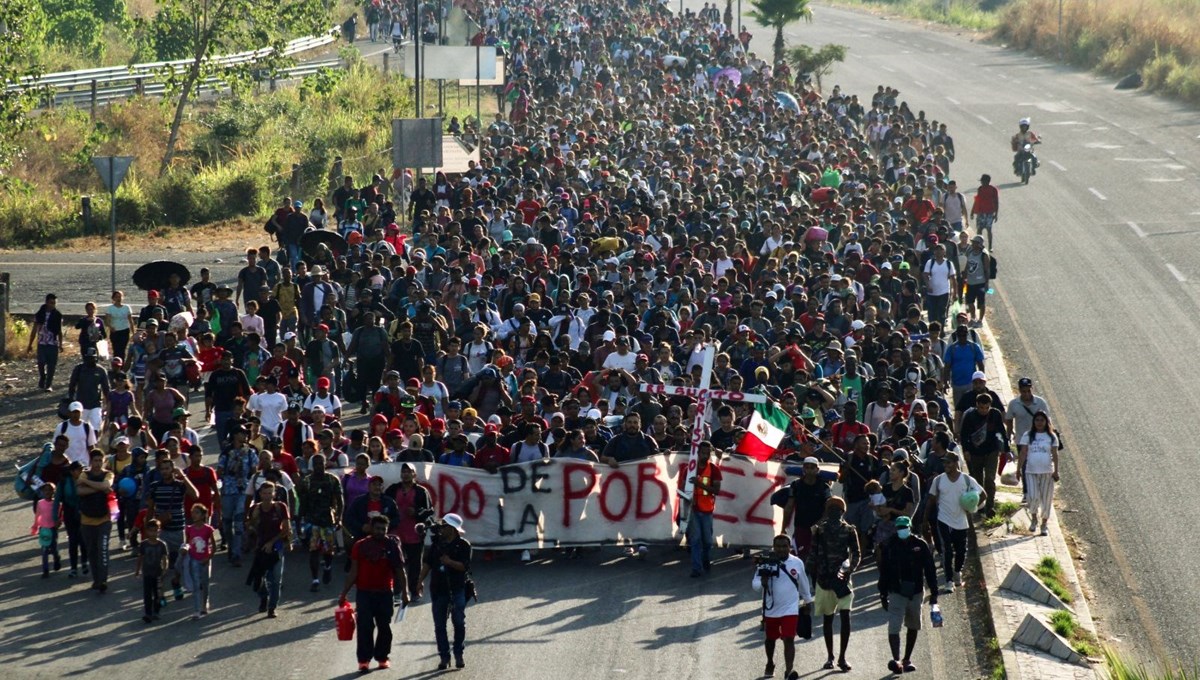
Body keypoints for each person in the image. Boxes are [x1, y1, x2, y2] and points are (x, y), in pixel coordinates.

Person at [339, 515, 409, 673]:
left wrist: (405, 592)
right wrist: (344, 593)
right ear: (370, 528)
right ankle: (364, 660)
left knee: (384, 627)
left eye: (383, 529)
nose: (380, 532)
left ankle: (382, 657)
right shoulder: (360, 546)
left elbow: (400, 570)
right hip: (364, 593)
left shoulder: (392, 545)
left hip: (385, 593)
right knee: (364, 627)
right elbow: (353, 571)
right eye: (377, 529)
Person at [877, 516, 939, 675]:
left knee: (913, 624)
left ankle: (907, 659)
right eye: (899, 528)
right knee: (894, 626)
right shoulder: (889, 545)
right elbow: (883, 572)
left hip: (916, 592)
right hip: (896, 592)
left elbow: (930, 570)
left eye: (904, 527)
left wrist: (934, 592)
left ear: (910, 527)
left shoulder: (920, 545)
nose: (901, 530)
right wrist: (883, 594)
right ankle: (896, 660)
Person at [807, 497, 861, 673]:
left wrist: (849, 571)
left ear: (843, 512)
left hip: (843, 581)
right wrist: (805, 575)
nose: (834, 512)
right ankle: (830, 656)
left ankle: (842, 657)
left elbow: (857, 554)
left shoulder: (849, 531)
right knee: (828, 619)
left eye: (837, 510)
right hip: (824, 581)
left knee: (845, 617)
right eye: (831, 509)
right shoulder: (819, 531)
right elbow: (812, 554)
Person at [751, 534, 813, 680]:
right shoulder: (765, 562)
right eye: (778, 546)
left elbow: (803, 583)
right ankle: (770, 663)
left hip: (790, 608)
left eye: (785, 546)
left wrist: (808, 600)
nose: (781, 549)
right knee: (770, 639)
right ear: (774, 547)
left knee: (789, 638)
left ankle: (789, 671)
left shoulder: (797, 563)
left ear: (790, 547)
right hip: (770, 609)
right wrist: (762, 583)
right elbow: (755, 585)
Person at [417, 513, 473, 671]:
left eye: (445, 526)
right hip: (438, 590)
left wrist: (449, 562)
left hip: (457, 589)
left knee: (459, 622)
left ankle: (458, 653)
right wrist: (419, 581)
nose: (441, 528)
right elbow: (427, 564)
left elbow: (464, 566)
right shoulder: (436, 545)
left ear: (453, 529)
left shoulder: (463, 545)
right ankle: (444, 656)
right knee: (439, 625)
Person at [923, 452, 984, 592]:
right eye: (944, 463)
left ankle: (957, 572)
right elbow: (931, 500)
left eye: (949, 463)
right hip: (943, 519)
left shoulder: (967, 480)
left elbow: (983, 495)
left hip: (961, 520)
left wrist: (971, 507)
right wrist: (925, 520)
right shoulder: (938, 480)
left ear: (956, 463)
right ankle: (949, 581)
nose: (946, 466)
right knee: (947, 551)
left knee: (961, 550)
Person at [145, 454, 198, 602]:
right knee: (160, 563)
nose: (165, 471)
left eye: (168, 468)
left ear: (173, 469)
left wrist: (183, 477)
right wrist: (147, 528)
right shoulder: (155, 486)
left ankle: (176, 581)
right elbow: (150, 508)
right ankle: (160, 593)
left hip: (179, 529)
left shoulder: (180, 486)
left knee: (180, 562)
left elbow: (195, 495)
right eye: (162, 469)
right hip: (161, 531)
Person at [387, 463, 433, 601]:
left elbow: (429, 511)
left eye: (409, 471)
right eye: (404, 471)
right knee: (396, 562)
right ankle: (397, 590)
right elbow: (385, 504)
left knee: (415, 565)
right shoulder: (393, 489)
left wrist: (417, 513)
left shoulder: (421, 491)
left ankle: (415, 590)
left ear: (414, 474)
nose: (406, 474)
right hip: (396, 532)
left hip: (414, 533)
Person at [299, 453, 345, 592]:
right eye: (316, 463)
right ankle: (315, 579)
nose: (319, 466)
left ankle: (327, 567)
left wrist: (339, 517)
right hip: (312, 520)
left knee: (328, 550)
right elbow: (303, 502)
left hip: (327, 520)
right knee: (313, 550)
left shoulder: (332, 480)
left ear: (325, 464)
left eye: (321, 463)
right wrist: (300, 521)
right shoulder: (307, 481)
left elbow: (340, 500)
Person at [247, 480, 291, 617]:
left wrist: (273, 542)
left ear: (274, 494)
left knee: (276, 579)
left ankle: (272, 607)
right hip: (260, 548)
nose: (267, 496)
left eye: (270, 493)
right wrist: (252, 523)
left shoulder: (280, 507)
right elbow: (250, 528)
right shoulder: (255, 509)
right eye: (264, 493)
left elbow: (286, 529)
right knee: (259, 578)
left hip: (276, 547)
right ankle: (263, 597)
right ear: (260, 494)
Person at [958, 393, 1006, 518]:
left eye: (986, 408)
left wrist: (1006, 449)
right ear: (977, 406)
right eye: (981, 408)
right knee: (977, 481)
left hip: (992, 452)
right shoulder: (970, 416)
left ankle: (990, 507)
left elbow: (1001, 431)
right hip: (975, 453)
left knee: (989, 479)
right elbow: (964, 435)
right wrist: (966, 451)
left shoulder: (995, 415)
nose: (984, 411)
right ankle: (980, 506)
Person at [76, 449, 114, 592]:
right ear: (91, 461)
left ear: (103, 461)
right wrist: (99, 489)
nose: (97, 464)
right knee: (92, 551)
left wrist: (86, 483)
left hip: (104, 519)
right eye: (95, 460)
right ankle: (96, 579)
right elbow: (79, 491)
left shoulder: (108, 474)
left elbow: (106, 485)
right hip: (87, 520)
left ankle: (103, 580)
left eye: (100, 460)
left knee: (102, 550)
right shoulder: (84, 473)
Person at [1017, 411, 1059, 536]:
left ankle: (1044, 524)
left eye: (1042, 420)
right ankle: (1034, 519)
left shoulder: (1051, 436)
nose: (1039, 423)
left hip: (1047, 472)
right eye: (1037, 420)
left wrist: (1056, 470)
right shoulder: (1028, 435)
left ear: (1046, 422)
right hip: (1031, 471)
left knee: (1046, 499)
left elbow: (1055, 454)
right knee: (1032, 496)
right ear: (1033, 422)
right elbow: (1023, 453)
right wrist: (1018, 469)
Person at [782, 456, 833, 558]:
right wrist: (783, 528)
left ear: (817, 470)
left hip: (820, 528)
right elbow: (789, 507)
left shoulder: (824, 487)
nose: (809, 470)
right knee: (801, 556)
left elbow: (829, 507)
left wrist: (819, 523)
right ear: (803, 469)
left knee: (819, 556)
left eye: (812, 468)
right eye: (807, 467)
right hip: (801, 526)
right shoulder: (795, 485)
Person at [685, 441, 722, 578]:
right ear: (698, 453)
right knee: (695, 539)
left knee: (707, 540)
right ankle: (696, 568)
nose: (705, 456)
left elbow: (716, 490)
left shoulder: (714, 469)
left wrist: (699, 484)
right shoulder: (689, 469)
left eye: (707, 453)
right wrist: (687, 498)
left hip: (707, 510)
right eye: (703, 453)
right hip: (693, 510)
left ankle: (705, 558)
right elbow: (680, 488)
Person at [183, 504, 215, 618]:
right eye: (193, 512)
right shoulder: (189, 529)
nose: (194, 515)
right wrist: (185, 549)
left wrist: (209, 557)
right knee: (196, 584)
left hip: (205, 559)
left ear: (203, 515)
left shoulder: (208, 529)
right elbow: (187, 542)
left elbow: (213, 546)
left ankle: (205, 603)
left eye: (197, 513)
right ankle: (196, 610)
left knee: (205, 583)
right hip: (193, 558)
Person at [134, 518, 169, 623]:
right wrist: (137, 570)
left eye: (156, 530)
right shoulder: (144, 544)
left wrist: (165, 569)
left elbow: (165, 558)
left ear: (159, 531)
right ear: (147, 531)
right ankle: (148, 613)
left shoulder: (162, 544)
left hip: (158, 573)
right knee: (147, 594)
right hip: (147, 573)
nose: (153, 533)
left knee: (157, 593)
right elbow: (140, 558)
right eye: (151, 530)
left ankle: (156, 611)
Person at [30, 293, 64, 390]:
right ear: (46, 302)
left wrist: (60, 344)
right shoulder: (40, 314)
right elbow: (34, 330)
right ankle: (42, 377)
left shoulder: (57, 315)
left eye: (54, 303)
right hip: (42, 342)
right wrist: (30, 344)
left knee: (51, 365)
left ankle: (49, 384)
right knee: (41, 362)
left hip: (53, 343)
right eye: (50, 303)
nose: (52, 305)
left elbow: (59, 331)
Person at [970, 174, 999, 251]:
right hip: (980, 213)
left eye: (983, 181)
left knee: (989, 229)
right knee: (979, 229)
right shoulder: (980, 189)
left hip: (989, 213)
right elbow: (977, 200)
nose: (981, 183)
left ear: (987, 181)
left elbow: (996, 202)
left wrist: (996, 214)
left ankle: (990, 246)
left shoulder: (993, 190)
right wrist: (972, 211)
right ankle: (979, 246)